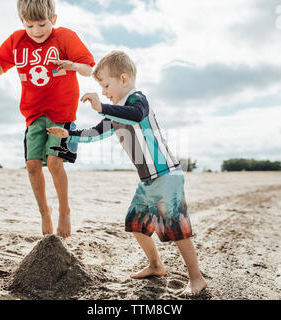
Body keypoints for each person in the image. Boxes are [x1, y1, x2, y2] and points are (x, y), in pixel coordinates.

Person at [47, 51, 208, 295]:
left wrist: (102, 106)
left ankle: (196, 278)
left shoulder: (137, 100)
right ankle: (156, 265)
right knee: (135, 225)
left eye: (106, 85)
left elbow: (135, 116)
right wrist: (70, 134)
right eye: (100, 87)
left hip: (167, 175)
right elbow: (95, 133)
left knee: (176, 229)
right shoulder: (114, 112)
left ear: (124, 79)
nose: (103, 91)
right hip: (148, 181)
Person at [0, 0, 95, 238]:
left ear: (54, 19)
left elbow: (89, 68)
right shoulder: (17, 41)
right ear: (22, 22)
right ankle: (45, 212)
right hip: (33, 113)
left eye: (42, 24)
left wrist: (73, 65)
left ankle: (64, 210)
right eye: (30, 25)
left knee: (53, 162)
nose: (37, 31)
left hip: (61, 114)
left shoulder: (65, 37)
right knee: (32, 166)